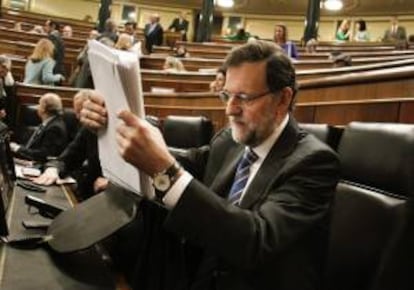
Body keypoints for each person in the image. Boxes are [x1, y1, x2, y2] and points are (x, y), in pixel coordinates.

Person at [81, 40, 340, 290]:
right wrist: (114, 126)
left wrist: (165, 171)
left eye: (244, 97)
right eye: (227, 95)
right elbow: (187, 161)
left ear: (283, 99)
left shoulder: (314, 162)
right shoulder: (230, 140)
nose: (230, 109)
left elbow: (256, 240)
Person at [33, 90, 107, 200]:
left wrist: (113, 185)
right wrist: (53, 169)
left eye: (82, 112)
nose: (79, 117)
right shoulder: (88, 129)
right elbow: (66, 158)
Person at [10, 93, 68, 162]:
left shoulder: (55, 128)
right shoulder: (50, 122)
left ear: (43, 108)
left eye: (39, 104)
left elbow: (43, 154)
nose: (37, 107)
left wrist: (17, 148)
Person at [0, 55, 15, 124]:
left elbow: (9, 99)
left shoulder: (8, 80)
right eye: (3, 67)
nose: (4, 70)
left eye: (7, 69)